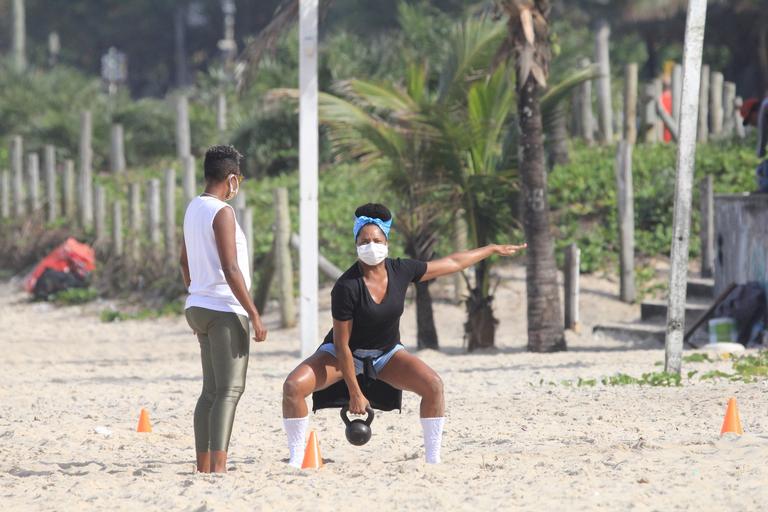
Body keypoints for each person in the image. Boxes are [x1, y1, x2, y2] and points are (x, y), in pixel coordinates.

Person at [281, 203, 525, 466]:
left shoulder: (401, 270)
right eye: (364, 241)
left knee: (433, 385)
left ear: (386, 243)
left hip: (386, 354)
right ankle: (297, 459)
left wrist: (490, 249)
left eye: (376, 240)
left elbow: (452, 263)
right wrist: (354, 392)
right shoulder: (346, 286)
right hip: (342, 355)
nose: (370, 245)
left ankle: (433, 460)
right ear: (356, 244)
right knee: (293, 386)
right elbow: (342, 346)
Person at [179, 145, 268, 473]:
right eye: (238, 180)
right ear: (231, 179)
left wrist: (197, 295)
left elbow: (184, 262)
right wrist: (254, 313)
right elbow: (231, 269)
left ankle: (203, 464)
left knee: (210, 392)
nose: (237, 186)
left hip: (199, 307)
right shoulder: (222, 212)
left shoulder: (193, 208)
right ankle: (218, 466)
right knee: (229, 391)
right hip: (224, 311)